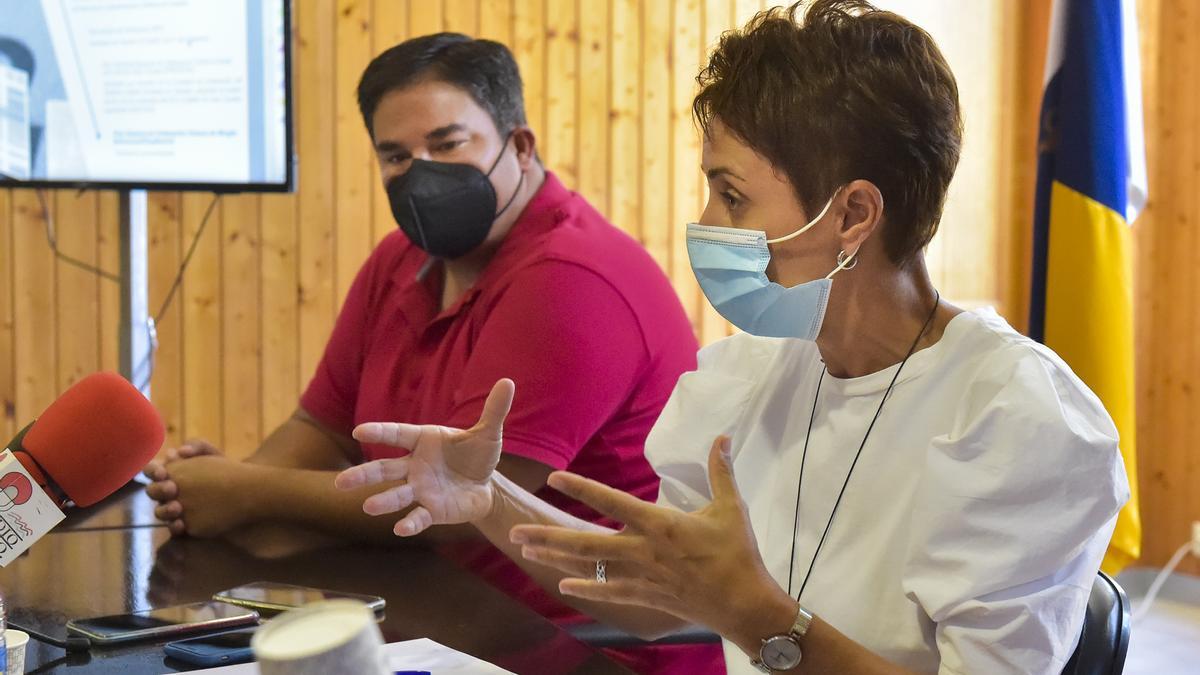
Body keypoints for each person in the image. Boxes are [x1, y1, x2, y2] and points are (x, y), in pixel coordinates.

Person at [334, 2, 1131, 673]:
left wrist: (759, 617)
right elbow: (649, 596)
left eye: (733, 195)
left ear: (853, 215)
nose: (707, 225)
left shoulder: (1020, 421)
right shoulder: (752, 374)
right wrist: (488, 499)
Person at [143, 33, 719, 674]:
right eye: (396, 156)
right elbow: (321, 427)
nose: (419, 173)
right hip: (435, 618)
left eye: (446, 144)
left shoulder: (572, 279)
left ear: (519, 147)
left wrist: (247, 492)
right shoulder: (401, 259)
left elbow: (461, 506)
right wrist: (211, 495)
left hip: (584, 643)